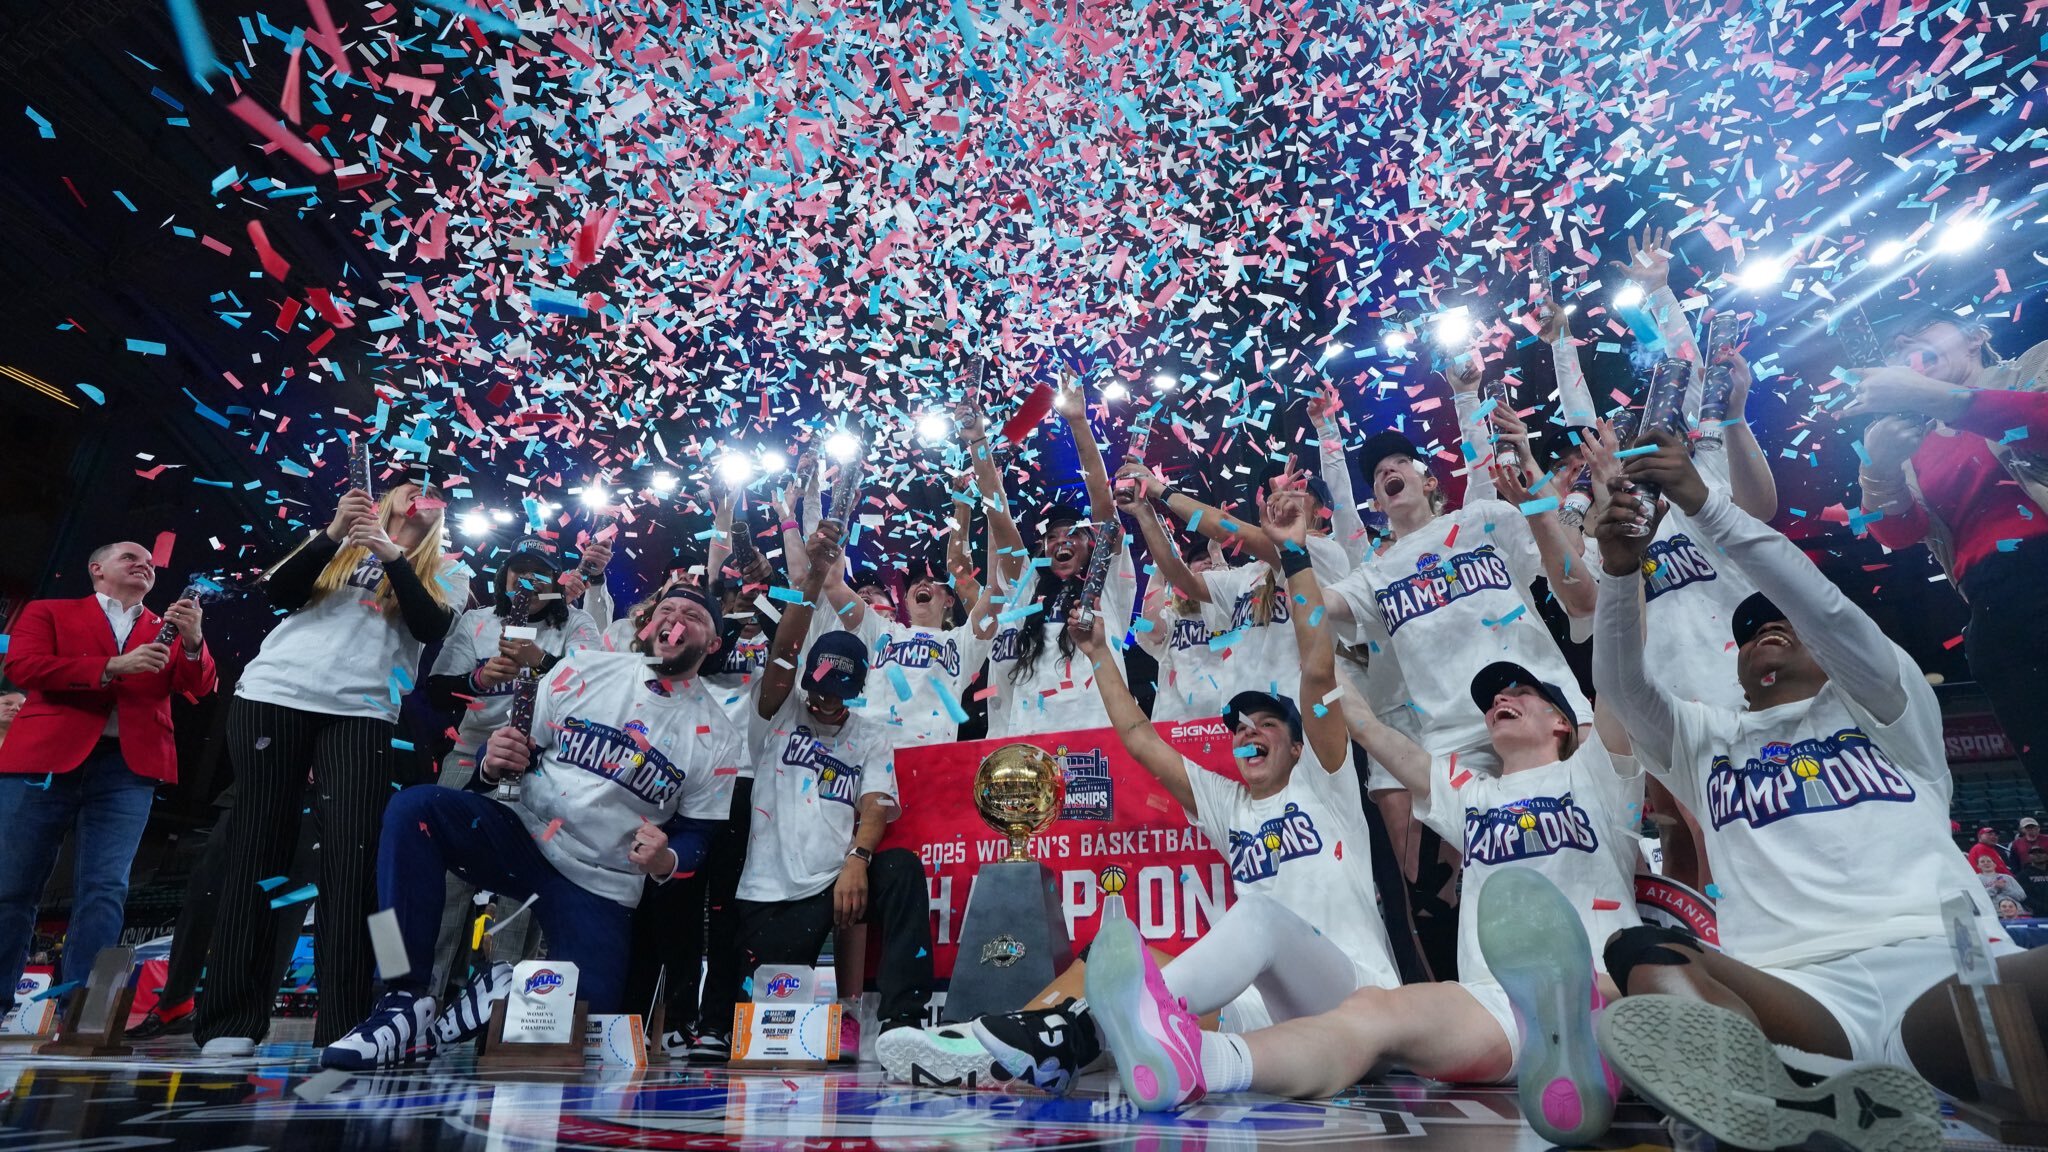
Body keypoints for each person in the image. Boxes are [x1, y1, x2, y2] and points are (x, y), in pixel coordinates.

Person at [1588, 430, 2043, 1143]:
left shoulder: (1886, 705)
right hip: (1797, 1000)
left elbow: (1824, 607)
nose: (1766, 629)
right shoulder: (1705, 741)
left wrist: (1707, 507)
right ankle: (1783, 1104)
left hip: (1949, 977)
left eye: (1781, 623)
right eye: (1747, 632)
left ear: (1823, 649)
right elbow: (1620, 684)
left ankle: (1784, 1112)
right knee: (1642, 954)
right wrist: (1620, 574)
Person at [900, 489, 1401, 1104]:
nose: (1247, 733)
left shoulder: (1327, 780)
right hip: (1267, 1014)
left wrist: (1293, 555)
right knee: (1111, 958)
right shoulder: (1228, 804)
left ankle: (1069, 1036)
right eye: (1239, 727)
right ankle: (980, 1055)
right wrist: (1098, 653)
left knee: (1261, 915)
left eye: (1266, 725)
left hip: (1355, 998)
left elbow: (1317, 670)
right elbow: (1138, 738)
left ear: (1298, 744)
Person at [319, 586, 742, 1069]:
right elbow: (514, 752)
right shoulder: (584, 668)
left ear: (712, 644)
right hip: (523, 833)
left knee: (586, 1020)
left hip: (597, 880)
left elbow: (699, 835)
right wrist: (489, 763)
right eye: (666, 609)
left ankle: (492, 991)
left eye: (693, 615)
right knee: (412, 809)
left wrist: (669, 859)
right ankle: (400, 995)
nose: (676, 618)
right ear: (647, 624)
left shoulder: (719, 736)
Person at [194, 479, 470, 1057]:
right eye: (407, 482)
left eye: (431, 488)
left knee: (355, 861)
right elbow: (278, 593)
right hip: (274, 693)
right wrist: (334, 534)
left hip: (363, 709)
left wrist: (391, 555)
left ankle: (344, 1021)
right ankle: (229, 1021)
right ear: (385, 494)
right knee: (258, 848)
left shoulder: (447, 567)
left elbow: (429, 626)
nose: (418, 492)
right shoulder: (332, 542)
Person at [695, 523, 935, 1060]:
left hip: (835, 880)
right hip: (772, 889)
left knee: (900, 870)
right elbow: (783, 651)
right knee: (771, 1020)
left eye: (841, 695)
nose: (828, 704)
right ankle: (727, 1022)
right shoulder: (778, 711)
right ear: (809, 680)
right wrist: (814, 579)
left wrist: (858, 857)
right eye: (821, 691)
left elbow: (876, 801)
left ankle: (902, 1025)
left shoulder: (869, 732)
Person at [0, 542, 217, 1023]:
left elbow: (199, 687)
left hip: (127, 768)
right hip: (43, 759)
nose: (143, 565)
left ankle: (83, 1015)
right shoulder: (49, 611)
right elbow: (20, 667)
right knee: (12, 886)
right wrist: (110, 667)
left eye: (149, 563)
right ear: (96, 568)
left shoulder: (166, 626)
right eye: (129, 558)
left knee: (104, 889)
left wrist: (195, 640)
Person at [1851, 305, 2048, 804]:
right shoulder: (1915, 440)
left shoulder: (2031, 367)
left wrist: (1940, 398)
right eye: (1898, 346)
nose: (1908, 349)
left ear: (1976, 335)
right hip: (1995, 610)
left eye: (1920, 333)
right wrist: (1881, 469)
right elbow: (1897, 535)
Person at [422, 547, 603, 1004]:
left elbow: (595, 692)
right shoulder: (478, 621)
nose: (524, 580)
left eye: (538, 573)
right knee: (448, 878)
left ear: (555, 583)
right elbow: (439, 691)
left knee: (521, 882)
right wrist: (480, 680)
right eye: (516, 571)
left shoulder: (578, 625)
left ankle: (506, 1007)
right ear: (503, 577)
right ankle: (427, 997)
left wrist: (539, 661)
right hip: (469, 755)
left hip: (541, 762)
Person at [969, 379, 1137, 737]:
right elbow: (998, 517)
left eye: (1073, 533)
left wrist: (1078, 422)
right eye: (1052, 536)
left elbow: (1103, 506)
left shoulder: (1106, 581)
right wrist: (977, 444)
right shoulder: (1028, 584)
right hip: (1031, 748)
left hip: (1102, 745)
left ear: (1093, 545)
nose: (1061, 540)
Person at [2015, 844, 2048, 913]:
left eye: (2041, 852)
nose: (2038, 855)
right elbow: (2023, 896)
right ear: (2029, 856)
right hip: (2036, 914)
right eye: (2034, 853)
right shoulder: (2022, 875)